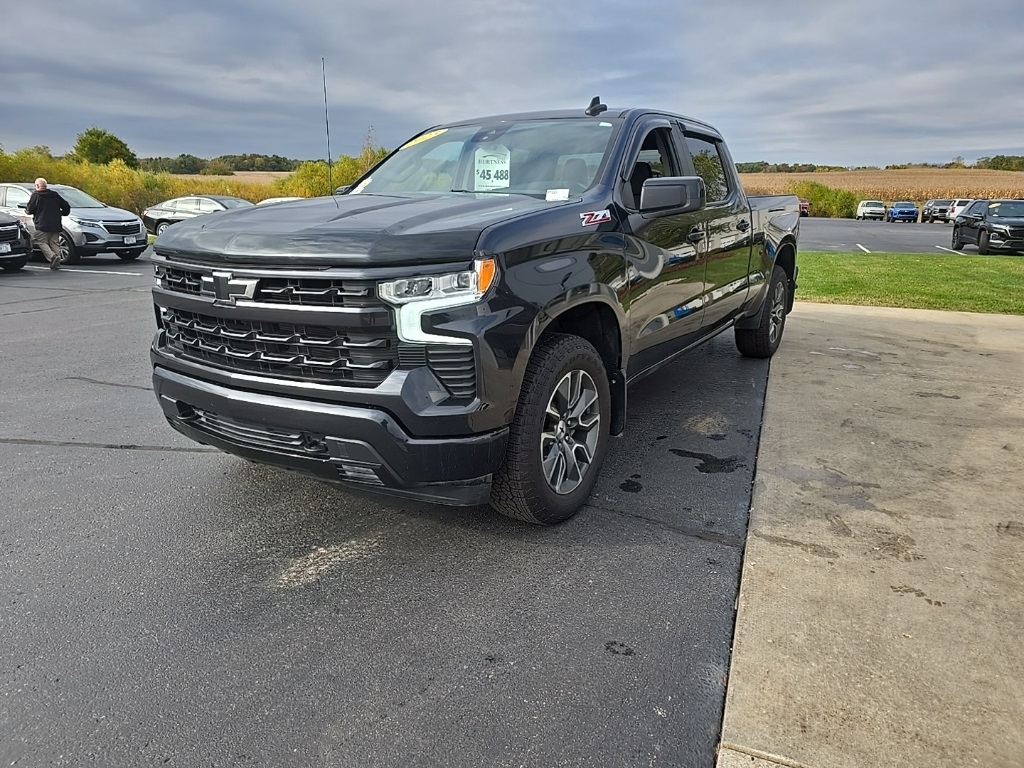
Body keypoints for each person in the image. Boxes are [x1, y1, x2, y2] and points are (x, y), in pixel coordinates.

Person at [25, 178, 71, 270]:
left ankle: (53, 257)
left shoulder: (36, 195)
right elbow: (66, 206)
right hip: (56, 223)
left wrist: (27, 211)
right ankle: (57, 262)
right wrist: (62, 213)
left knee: (40, 241)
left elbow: (30, 209)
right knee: (54, 242)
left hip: (42, 224)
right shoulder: (54, 195)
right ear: (45, 186)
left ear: (37, 186)